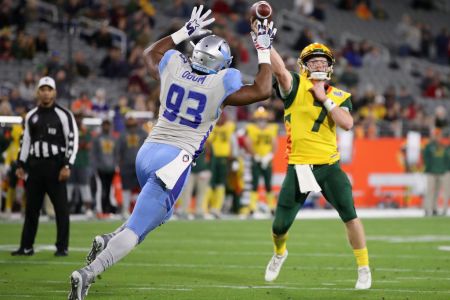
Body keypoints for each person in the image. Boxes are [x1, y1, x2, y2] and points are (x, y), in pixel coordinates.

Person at [68, 6, 277, 300]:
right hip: (174, 160)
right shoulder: (223, 81)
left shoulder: (176, 65)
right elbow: (263, 90)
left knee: (161, 214)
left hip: (148, 151)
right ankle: (88, 273)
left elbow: (149, 54)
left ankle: (107, 239)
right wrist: (263, 49)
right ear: (220, 63)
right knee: (139, 228)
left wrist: (182, 32)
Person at [263, 43, 372, 289]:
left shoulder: (339, 95)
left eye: (323, 61)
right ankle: (280, 253)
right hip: (299, 166)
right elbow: (279, 70)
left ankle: (363, 268)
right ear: (304, 66)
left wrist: (325, 100)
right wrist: (265, 43)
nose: (319, 65)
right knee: (279, 226)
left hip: (329, 166)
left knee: (350, 215)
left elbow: (347, 123)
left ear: (331, 66)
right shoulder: (295, 86)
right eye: (313, 62)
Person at [11, 76, 78, 257]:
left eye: (49, 89)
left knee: (61, 209)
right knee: (31, 209)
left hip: (56, 166)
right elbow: (25, 142)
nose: (46, 93)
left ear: (54, 92)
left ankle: (62, 247)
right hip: (35, 167)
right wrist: (21, 163)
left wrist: (67, 165)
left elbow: (72, 140)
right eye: (43, 89)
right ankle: (26, 246)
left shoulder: (64, 115)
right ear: (38, 92)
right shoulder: (31, 116)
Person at [245, 106, 278, 215]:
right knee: (254, 184)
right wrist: (256, 156)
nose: (261, 121)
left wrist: (270, 155)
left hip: (267, 160)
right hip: (256, 159)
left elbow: (274, 143)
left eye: (263, 119)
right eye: (259, 119)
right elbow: (248, 142)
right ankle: (252, 207)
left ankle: (271, 207)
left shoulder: (272, 128)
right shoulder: (251, 128)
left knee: (268, 184)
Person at [422, 129, 448, 216]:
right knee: (429, 191)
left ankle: (434, 208)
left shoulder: (443, 146)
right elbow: (425, 158)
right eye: (436, 135)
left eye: (439, 135)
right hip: (431, 172)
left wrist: (445, 169)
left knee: (437, 192)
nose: (438, 137)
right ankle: (427, 209)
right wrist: (429, 168)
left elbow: (446, 159)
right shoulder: (429, 147)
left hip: (441, 172)